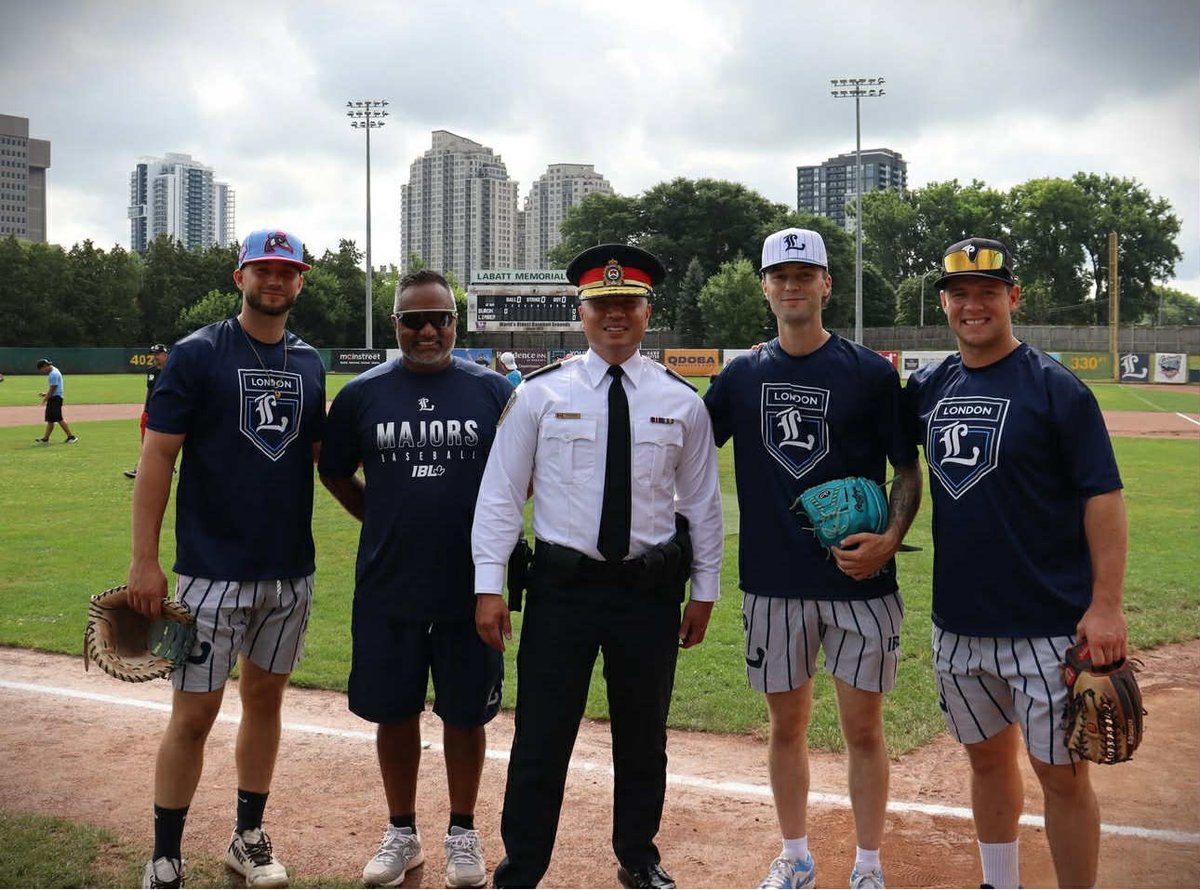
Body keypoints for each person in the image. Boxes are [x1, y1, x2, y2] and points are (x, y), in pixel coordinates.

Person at [472, 244, 724, 889]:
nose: (615, 316)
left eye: (627, 305)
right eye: (601, 305)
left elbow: (701, 503)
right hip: (563, 590)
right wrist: (487, 585)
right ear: (580, 313)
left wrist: (706, 589)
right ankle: (522, 867)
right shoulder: (539, 394)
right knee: (540, 739)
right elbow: (501, 493)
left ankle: (639, 858)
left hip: (648, 591)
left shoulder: (681, 401)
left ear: (647, 313)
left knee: (644, 738)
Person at [906, 237, 1128, 889]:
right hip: (959, 626)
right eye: (960, 294)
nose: (974, 306)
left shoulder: (1057, 390)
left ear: (1012, 297)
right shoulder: (927, 387)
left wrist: (1106, 605)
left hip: (1047, 628)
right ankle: (999, 882)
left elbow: (1103, 498)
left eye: (988, 292)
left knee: (1061, 776)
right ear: (945, 303)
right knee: (984, 763)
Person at [704, 228, 922, 890]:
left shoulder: (869, 373)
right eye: (781, 275)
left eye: (806, 274)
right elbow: (686, 454)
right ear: (766, 287)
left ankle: (868, 865)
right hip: (773, 583)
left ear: (827, 284)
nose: (793, 285)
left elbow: (907, 472)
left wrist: (890, 537)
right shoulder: (741, 376)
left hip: (861, 583)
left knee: (863, 729)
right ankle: (796, 856)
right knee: (786, 726)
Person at [126, 228, 326, 890]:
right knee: (193, 712)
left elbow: (318, 458)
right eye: (263, 269)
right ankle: (165, 854)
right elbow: (158, 456)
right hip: (206, 576)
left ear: (300, 282)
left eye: (287, 271)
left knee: (266, 700)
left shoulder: (310, 363)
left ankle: (247, 838)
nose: (275, 280)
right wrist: (144, 564)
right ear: (240, 276)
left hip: (289, 573)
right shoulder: (195, 354)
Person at [319, 269, 513, 889]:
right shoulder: (361, 395)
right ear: (395, 323)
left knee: (465, 715)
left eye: (440, 319)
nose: (427, 330)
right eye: (413, 320)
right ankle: (401, 830)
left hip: (469, 587)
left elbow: (519, 482)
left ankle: (462, 831)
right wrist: (377, 517)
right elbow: (334, 472)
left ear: (456, 323)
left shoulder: (493, 393)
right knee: (394, 712)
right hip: (389, 583)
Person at [125, 344, 170, 478]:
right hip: (150, 412)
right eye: (153, 354)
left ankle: (167, 466)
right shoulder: (151, 371)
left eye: (157, 354)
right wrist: (145, 409)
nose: (155, 357)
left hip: (165, 412)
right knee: (146, 441)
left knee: (165, 442)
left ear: (165, 355)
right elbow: (149, 390)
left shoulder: (172, 371)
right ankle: (140, 468)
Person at [34, 358, 78, 444]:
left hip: (55, 399)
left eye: (42, 369)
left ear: (45, 366)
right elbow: (53, 388)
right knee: (50, 420)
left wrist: (45, 399)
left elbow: (52, 388)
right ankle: (45, 439)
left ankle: (71, 437)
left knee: (58, 418)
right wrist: (46, 394)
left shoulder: (53, 374)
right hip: (54, 397)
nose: (42, 372)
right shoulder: (54, 371)